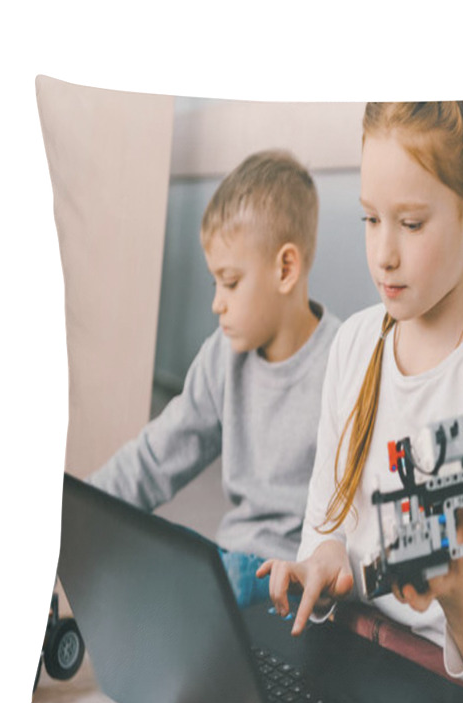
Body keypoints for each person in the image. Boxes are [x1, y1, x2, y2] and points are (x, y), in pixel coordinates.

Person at [257, 102, 463, 703]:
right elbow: (324, 527)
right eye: (371, 219)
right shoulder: (353, 346)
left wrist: (462, 598)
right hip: (345, 656)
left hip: (437, 689)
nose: (383, 254)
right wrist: (325, 557)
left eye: (412, 224)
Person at [89, 150, 341, 608]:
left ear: (285, 269)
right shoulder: (224, 357)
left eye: (230, 282)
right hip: (234, 563)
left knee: (217, 580)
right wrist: (77, 515)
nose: (216, 304)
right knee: (163, 552)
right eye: (214, 285)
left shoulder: (345, 364)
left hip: (296, 586)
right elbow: (154, 458)